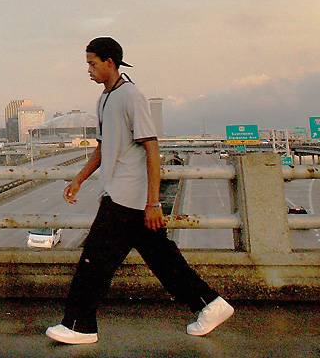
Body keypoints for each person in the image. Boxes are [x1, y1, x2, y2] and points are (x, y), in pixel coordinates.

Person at [46, 37, 233, 345]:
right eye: (87, 64)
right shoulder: (104, 99)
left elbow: (152, 148)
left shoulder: (132, 96)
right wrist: (79, 178)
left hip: (128, 197)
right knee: (163, 260)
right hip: (118, 193)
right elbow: (104, 148)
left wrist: (153, 202)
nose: (89, 70)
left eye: (92, 63)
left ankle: (80, 325)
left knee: (94, 260)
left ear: (110, 62)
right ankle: (210, 305)